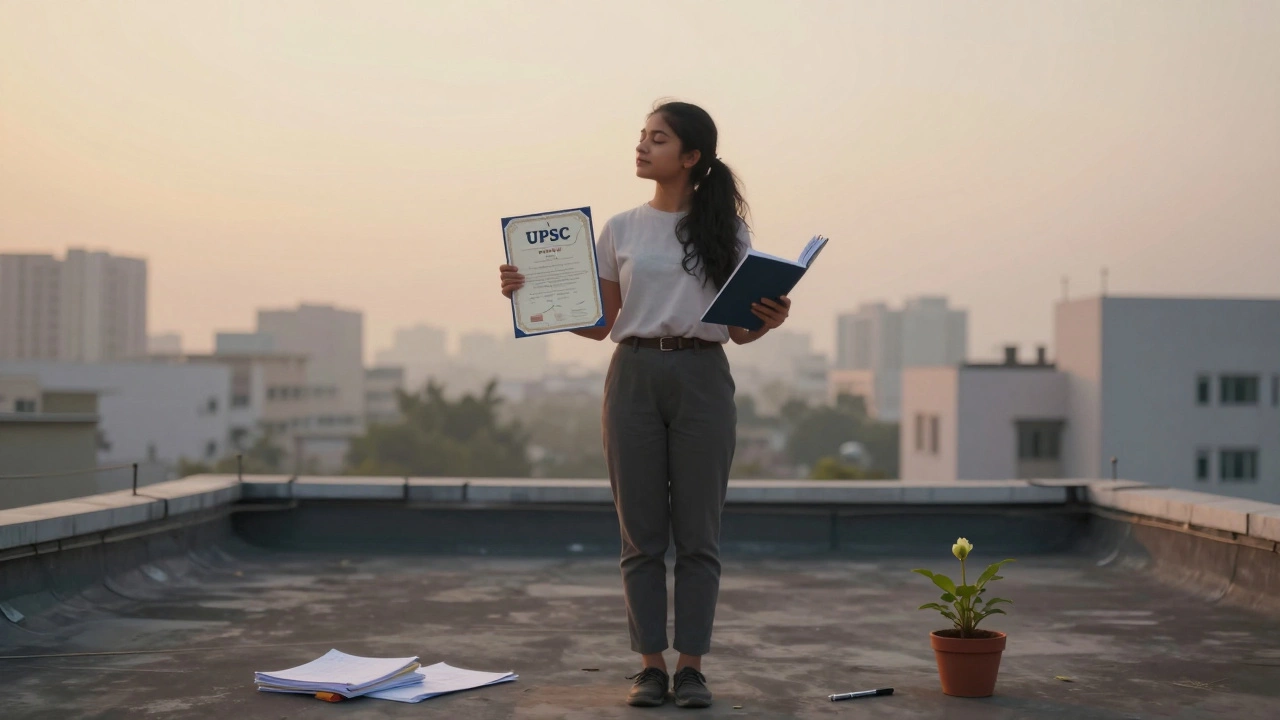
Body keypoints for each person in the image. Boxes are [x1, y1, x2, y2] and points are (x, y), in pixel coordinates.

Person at [497, 100, 791, 709]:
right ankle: (650, 666)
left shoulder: (727, 232)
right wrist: (530, 294)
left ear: (690, 157)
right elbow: (599, 324)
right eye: (642, 136)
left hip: (704, 374)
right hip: (631, 373)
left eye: (657, 139)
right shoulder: (619, 228)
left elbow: (738, 332)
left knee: (699, 533)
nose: (642, 147)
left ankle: (691, 668)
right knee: (641, 534)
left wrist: (769, 318)